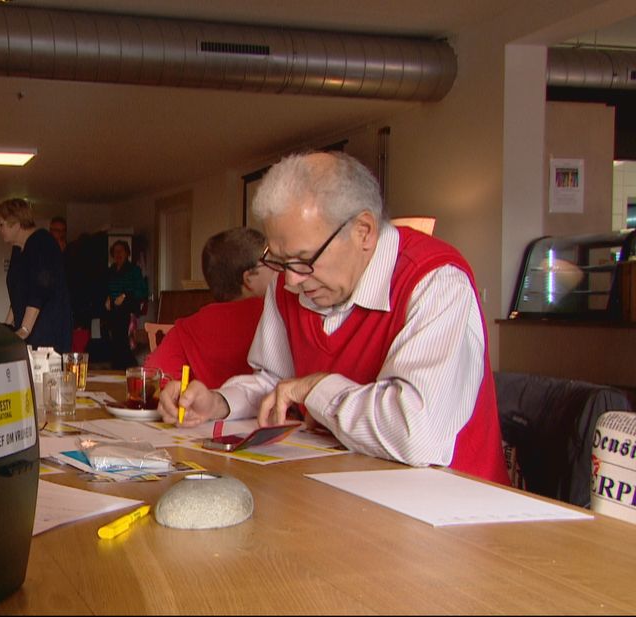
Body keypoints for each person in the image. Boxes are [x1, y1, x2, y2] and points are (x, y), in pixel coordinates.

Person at [159, 151, 508, 484]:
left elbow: (417, 434)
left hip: (452, 517)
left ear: (364, 232)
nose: (291, 280)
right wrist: (218, 403)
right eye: (280, 260)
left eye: (303, 259)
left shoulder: (436, 281)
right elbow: (275, 385)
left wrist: (315, 386)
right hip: (348, 498)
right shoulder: (291, 283)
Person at [145, 227, 275, 389]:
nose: (281, 269)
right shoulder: (275, 314)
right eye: (273, 263)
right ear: (248, 279)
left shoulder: (187, 329)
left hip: (205, 411)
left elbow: (153, 375)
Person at [0, 198, 72, 352]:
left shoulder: (42, 241)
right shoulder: (18, 249)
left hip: (46, 332)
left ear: (16, 222)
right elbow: (18, 294)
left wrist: (24, 330)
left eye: (0, 224)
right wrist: (6, 328)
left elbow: (39, 290)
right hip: (30, 330)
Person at [103, 239, 148, 370]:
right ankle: (116, 368)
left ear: (127, 253)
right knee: (113, 343)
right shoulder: (110, 271)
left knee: (124, 343)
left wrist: (125, 296)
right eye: (115, 252)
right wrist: (106, 298)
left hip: (127, 312)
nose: (118, 254)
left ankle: (128, 368)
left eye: (121, 251)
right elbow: (105, 288)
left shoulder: (134, 270)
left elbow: (141, 291)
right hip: (112, 312)